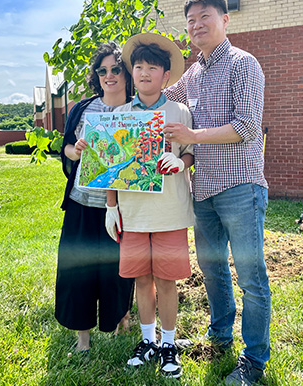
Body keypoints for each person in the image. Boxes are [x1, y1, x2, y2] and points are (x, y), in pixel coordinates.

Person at [163, 0, 270, 385]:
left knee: (250, 275)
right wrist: (109, 108)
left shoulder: (244, 65)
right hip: (203, 189)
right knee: (212, 270)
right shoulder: (191, 73)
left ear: (225, 20)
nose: (196, 25)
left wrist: (192, 134)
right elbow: (157, 103)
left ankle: (255, 360)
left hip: (240, 187)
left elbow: (246, 128)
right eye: (190, 20)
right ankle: (220, 336)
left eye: (204, 17)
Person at [104, 33, 193, 378]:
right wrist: (112, 207)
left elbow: (190, 152)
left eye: (152, 67)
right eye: (138, 66)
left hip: (170, 210)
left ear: (165, 76)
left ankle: (168, 343)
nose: (143, 73)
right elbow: (108, 169)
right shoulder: (120, 115)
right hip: (134, 212)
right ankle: (147, 340)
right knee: (141, 278)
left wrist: (180, 161)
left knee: (167, 280)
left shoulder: (179, 111)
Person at [55, 42, 135, 353]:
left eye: (116, 69)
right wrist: (74, 151)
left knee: (117, 273)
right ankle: (82, 341)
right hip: (82, 204)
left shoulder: (139, 110)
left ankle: (118, 325)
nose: (109, 75)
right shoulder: (82, 109)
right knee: (77, 272)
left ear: (126, 73)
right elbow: (64, 148)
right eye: (102, 71)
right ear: (96, 76)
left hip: (123, 208)